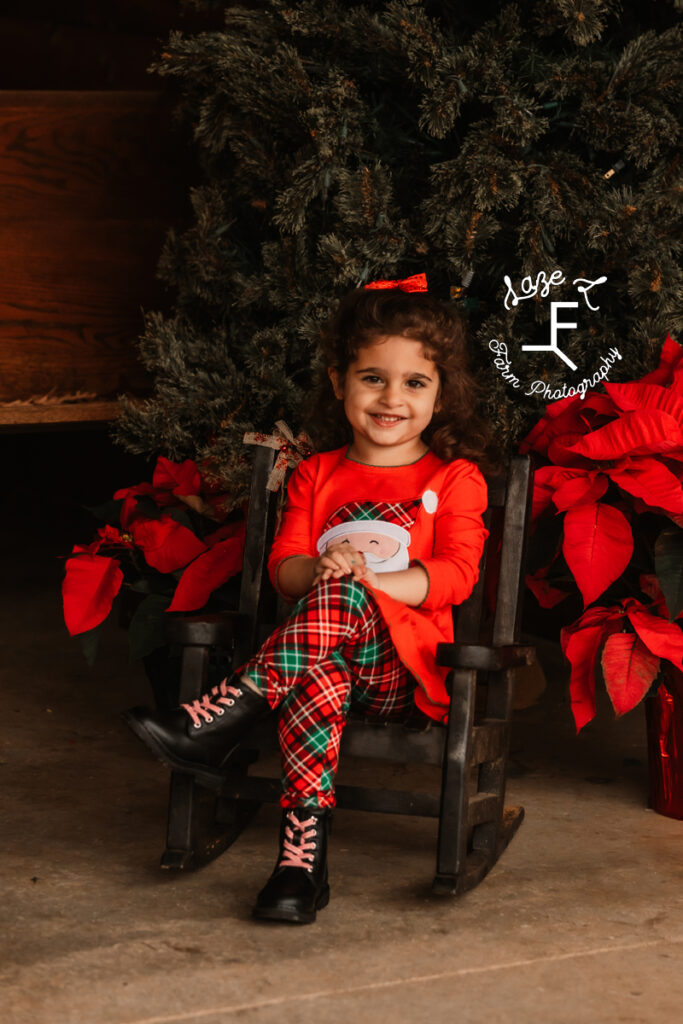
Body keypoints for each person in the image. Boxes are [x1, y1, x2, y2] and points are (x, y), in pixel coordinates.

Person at [124, 273, 492, 924]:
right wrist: (319, 566)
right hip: (315, 662)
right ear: (337, 382)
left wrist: (371, 584)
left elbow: (456, 574)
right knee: (317, 678)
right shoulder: (316, 473)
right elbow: (282, 570)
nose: (390, 398)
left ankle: (223, 712)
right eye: (372, 377)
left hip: (401, 670)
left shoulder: (452, 477)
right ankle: (300, 864)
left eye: (414, 382)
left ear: (442, 393)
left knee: (347, 602)